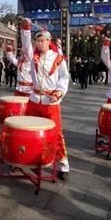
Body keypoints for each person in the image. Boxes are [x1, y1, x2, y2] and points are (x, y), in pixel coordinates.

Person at [20, 19, 70, 180]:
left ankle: (63, 163)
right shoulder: (32, 56)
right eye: (38, 40)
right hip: (34, 99)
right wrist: (25, 28)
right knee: (30, 129)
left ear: (49, 41)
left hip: (51, 102)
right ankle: (29, 156)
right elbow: (26, 42)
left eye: (43, 40)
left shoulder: (58, 58)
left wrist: (59, 92)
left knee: (56, 133)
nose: (40, 43)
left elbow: (64, 77)